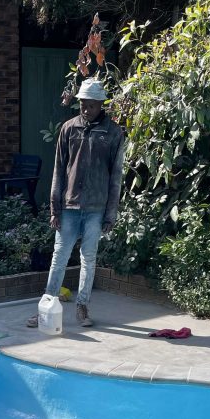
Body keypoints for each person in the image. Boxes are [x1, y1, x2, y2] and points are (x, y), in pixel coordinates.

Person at [28, 78, 125, 329]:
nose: (85, 109)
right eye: (82, 104)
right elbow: (58, 170)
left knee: (88, 259)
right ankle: (45, 307)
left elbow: (116, 177)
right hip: (69, 206)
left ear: (101, 105)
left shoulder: (113, 133)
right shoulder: (69, 129)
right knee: (59, 258)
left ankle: (82, 306)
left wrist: (110, 214)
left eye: (91, 105)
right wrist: (54, 208)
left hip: (96, 207)